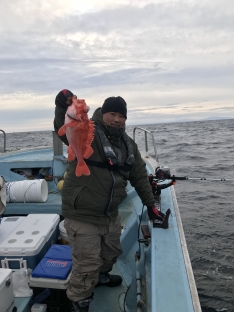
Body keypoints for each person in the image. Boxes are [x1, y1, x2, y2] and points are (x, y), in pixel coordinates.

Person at [54, 89, 164, 312]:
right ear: (102, 113)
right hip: (83, 213)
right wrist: (60, 106)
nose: (117, 119)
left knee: (111, 254)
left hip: (110, 213)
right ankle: (78, 301)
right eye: (112, 113)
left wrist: (151, 204)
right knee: (86, 266)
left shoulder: (128, 144)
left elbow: (140, 176)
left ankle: (102, 277)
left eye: (122, 116)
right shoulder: (87, 129)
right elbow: (64, 130)